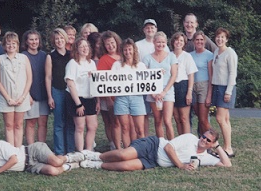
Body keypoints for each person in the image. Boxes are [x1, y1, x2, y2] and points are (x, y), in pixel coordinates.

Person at [79, 128, 232, 171]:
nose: (203, 140)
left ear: (211, 143)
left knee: (125, 166)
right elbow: (168, 147)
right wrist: (180, 165)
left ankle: (96, 164)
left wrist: (218, 147)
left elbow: (227, 164)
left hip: (154, 161)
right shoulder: (190, 138)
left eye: (208, 140)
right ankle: (94, 155)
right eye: (203, 136)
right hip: (154, 145)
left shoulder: (205, 156)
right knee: (123, 154)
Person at [0, 136, 85, 176]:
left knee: (57, 162)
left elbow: (14, 160)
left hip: (31, 151)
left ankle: (71, 157)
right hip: (29, 166)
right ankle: (71, 165)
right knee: (53, 171)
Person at [0, 31, 32, 147]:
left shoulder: (24, 58)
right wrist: (8, 98)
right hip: (6, 98)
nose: (11, 46)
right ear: (4, 45)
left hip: (21, 97)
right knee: (9, 125)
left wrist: (23, 97)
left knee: (19, 124)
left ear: (17, 45)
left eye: (14, 43)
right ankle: (11, 152)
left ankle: (18, 150)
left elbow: (29, 79)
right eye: (8, 43)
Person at [136, 19, 170, 137]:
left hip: (161, 87)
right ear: (144, 30)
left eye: (152, 27)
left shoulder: (164, 47)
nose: (150, 30)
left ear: (156, 29)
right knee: (144, 114)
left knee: (162, 119)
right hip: (144, 84)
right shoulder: (138, 45)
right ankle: (144, 138)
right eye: (147, 28)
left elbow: (168, 66)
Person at [65, 38, 100, 151]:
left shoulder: (91, 63)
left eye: (86, 46)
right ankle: (80, 152)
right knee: (80, 127)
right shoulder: (72, 64)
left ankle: (88, 151)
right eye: (81, 47)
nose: (85, 49)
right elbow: (70, 84)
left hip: (90, 98)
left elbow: (96, 84)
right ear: (76, 49)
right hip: (77, 98)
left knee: (92, 126)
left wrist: (97, 101)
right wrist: (78, 104)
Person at [111, 38, 146, 147]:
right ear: (122, 51)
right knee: (125, 128)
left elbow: (148, 81)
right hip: (121, 98)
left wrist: (158, 74)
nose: (128, 52)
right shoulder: (117, 65)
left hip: (137, 98)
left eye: (130, 49)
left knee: (140, 129)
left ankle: (142, 151)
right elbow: (109, 80)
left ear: (134, 50)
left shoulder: (140, 65)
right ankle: (127, 151)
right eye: (125, 50)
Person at [143, 32, 178, 140]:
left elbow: (174, 75)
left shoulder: (171, 56)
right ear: (154, 42)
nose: (160, 44)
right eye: (158, 42)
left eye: (163, 42)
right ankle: (161, 144)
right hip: (153, 93)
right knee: (158, 120)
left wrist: (164, 91)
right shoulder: (147, 58)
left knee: (167, 121)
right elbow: (145, 77)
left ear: (166, 43)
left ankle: (172, 145)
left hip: (167, 92)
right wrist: (152, 93)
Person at [45, 28, 73, 155]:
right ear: (53, 41)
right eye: (57, 39)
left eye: (61, 38)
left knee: (70, 121)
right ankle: (60, 151)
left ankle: (71, 150)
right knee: (59, 122)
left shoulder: (72, 55)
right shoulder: (50, 56)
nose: (59, 41)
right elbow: (48, 77)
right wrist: (50, 96)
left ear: (65, 39)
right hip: (57, 90)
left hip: (70, 92)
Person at [211, 27, 237, 158]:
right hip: (216, 87)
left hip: (225, 88)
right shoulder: (216, 52)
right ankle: (228, 147)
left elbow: (233, 73)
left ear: (226, 39)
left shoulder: (230, 53)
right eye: (218, 37)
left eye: (222, 37)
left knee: (220, 118)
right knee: (225, 119)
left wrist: (228, 91)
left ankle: (228, 148)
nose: (219, 39)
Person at [21, 29, 50, 145]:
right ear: (26, 42)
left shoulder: (44, 56)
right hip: (30, 95)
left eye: (36, 39)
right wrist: (27, 95)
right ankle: (31, 148)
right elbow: (21, 78)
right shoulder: (23, 56)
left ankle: (41, 148)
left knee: (43, 122)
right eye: (31, 39)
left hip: (43, 94)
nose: (34, 42)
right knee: (31, 122)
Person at [97, 30, 122, 150]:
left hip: (122, 96)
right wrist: (108, 98)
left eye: (112, 43)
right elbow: (102, 81)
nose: (110, 46)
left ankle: (122, 141)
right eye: (107, 44)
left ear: (116, 42)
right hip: (109, 97)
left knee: (121, 122)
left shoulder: (123, 56)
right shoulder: (103, 59)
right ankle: (112, 143)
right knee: (110, 122)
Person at [171, 32, 198, 135]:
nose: (179, 42)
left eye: (181, 40)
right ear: (173, 41)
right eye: (177, 40)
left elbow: (191, 75)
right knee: (177, 118)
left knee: (184, 117)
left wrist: (189, 92)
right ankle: (180, 140)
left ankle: (187, 142)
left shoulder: (187, 56)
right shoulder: (169, 55)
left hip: (183, 86)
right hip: (171, 87)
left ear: (184, 43)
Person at [190, 31, 213, 135]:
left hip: (204, 86)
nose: (199, 42)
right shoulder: (190, 55)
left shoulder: (209, 55)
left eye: (201, 40)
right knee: (199, 117)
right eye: (197, 40)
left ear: (204, 41)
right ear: (194, 41)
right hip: (192, 86)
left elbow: (211, 75)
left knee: (204, 119)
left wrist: (209, 95)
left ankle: (213, 143)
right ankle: (202, 141)